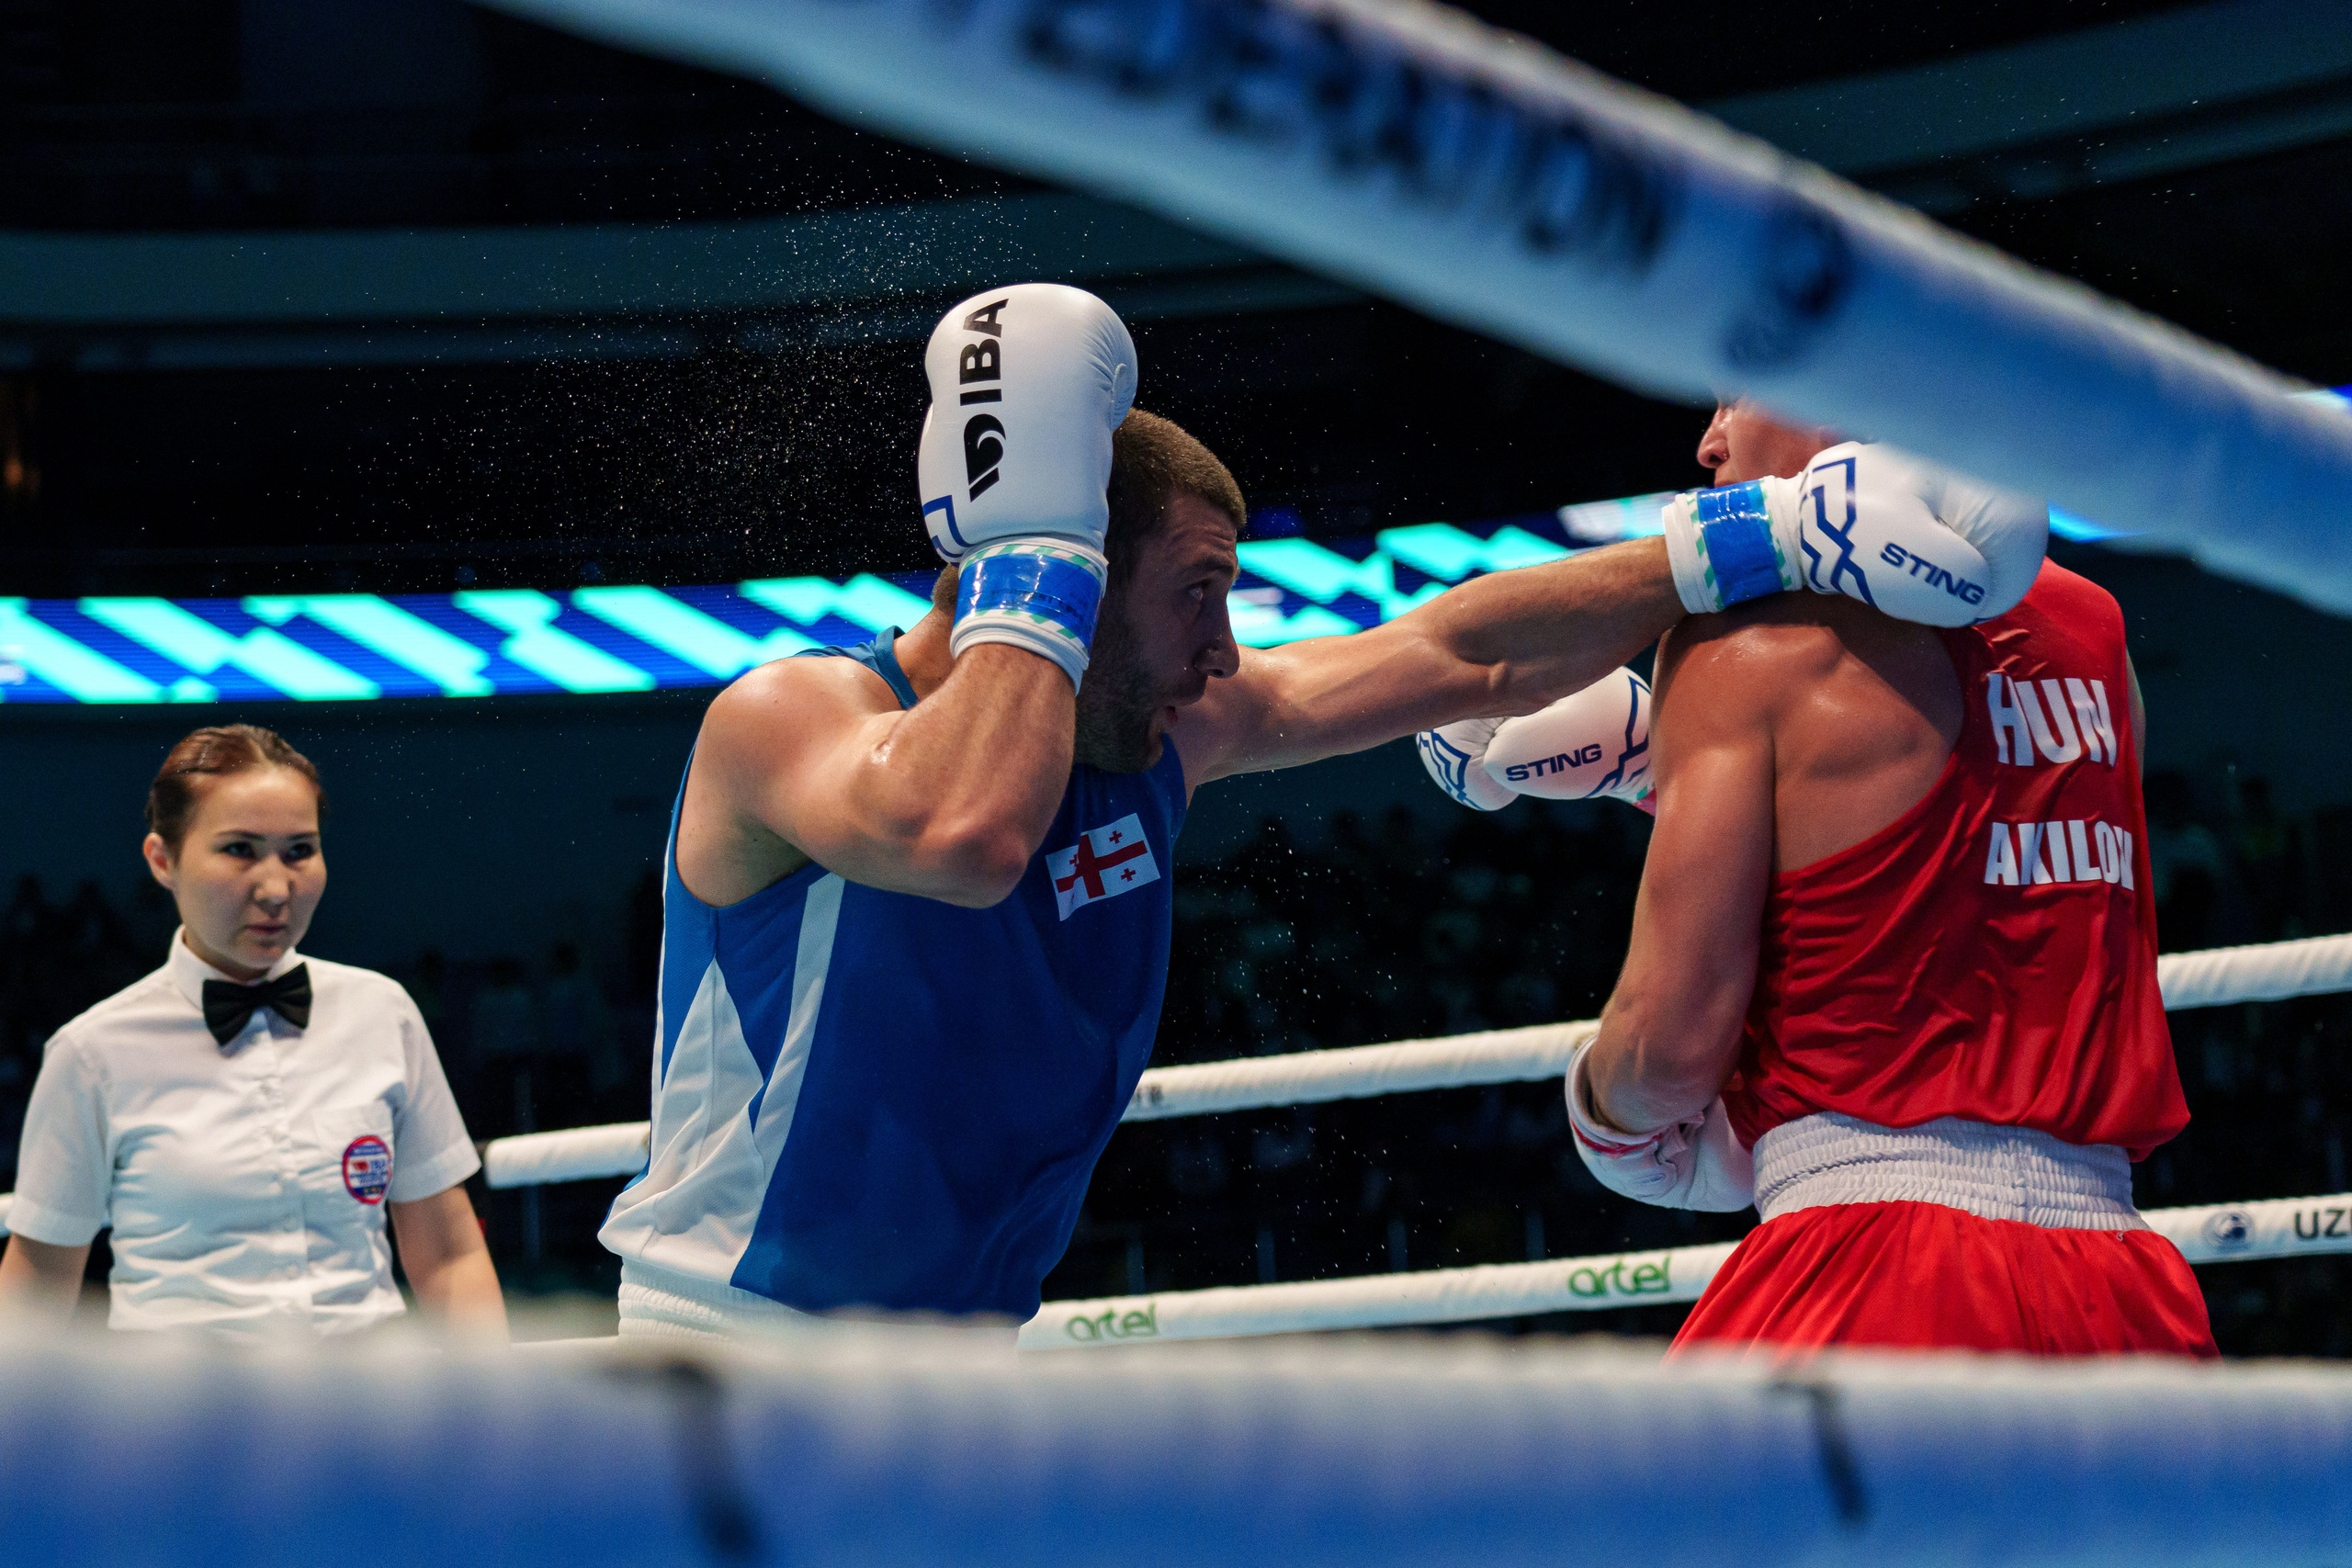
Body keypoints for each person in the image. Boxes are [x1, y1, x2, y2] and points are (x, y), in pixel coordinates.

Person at [599, 284, 2047, 1336]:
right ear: (1078, 574)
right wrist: (1032, 554)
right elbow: (966, 836)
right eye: (1197, 596)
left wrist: (1749, 538)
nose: (1225, 653)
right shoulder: (792, 719)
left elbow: (1449, 656)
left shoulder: (1162, 729)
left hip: (962, 1365)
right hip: (739, 1358)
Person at [1513, 400, 2211, 1355]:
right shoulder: (2097, 630)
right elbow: (1980, 849)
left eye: (1731, 400)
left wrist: (1603, 1114)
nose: (1707, 444)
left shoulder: (1744, 639)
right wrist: (1654, 772)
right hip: (2120, 1289)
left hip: (1864, 1269)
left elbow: (1667, 1058)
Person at [0, 725, 506, 1339]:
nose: (275, 888)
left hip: (368, 1413)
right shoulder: (92, 1053)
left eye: (299, 849)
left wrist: (492, 1421)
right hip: (179, 1421)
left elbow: (450, 1256)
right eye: (239, 849)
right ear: (163, 860)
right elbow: (37, 1287)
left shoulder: (383, 1012)